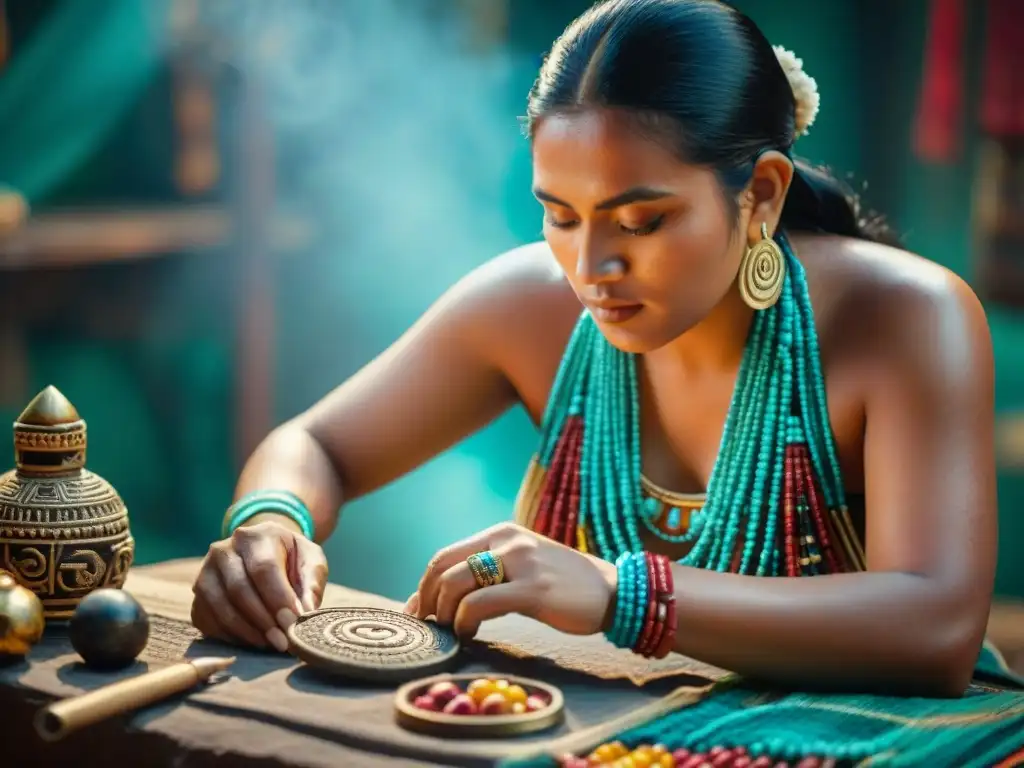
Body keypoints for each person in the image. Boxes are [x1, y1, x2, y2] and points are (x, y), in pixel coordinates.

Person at [193, 0, 1005, 708]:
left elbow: (935, 631)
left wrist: (620, 594)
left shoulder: (904, 318)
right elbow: (317, 446)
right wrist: (272, 524)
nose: (590, 268)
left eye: (641, 220)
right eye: (561, 214)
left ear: (760, 191)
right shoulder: (532, 304)